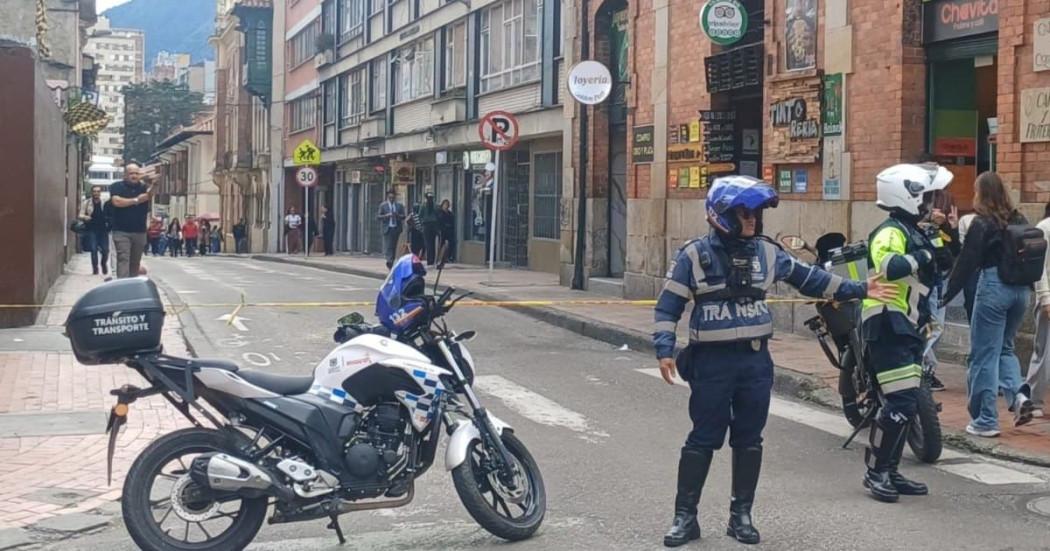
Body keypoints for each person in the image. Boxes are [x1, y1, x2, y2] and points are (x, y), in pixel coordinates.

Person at [654, 176, 889, 547]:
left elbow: (813, 280)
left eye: (756, 213)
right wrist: (664, 348)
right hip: (711, 364)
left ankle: (741, 517)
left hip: (754, 364)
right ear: (721, 214)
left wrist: (860, 288)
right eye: (744, 213)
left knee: (749, 439)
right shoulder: (694, 255)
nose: (752, 219)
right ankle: (685, 517)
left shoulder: (768, 252)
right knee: (703, 439)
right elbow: (668, 305)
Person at [859, 163, 955, 503]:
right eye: (925, 197)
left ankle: (891, 470)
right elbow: (891, 267)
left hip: (909, 325)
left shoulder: (913, 230)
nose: (929, 204)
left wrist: (938, 237)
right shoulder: (890, 232)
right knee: (899, 401)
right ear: (906, 195)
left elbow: (945, 261)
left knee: (908, 400)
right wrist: (925, 252)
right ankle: (876, 472)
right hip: (888, 322)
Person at [943, 172, 1036, 437]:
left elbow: (967, 262)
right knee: (1005, 348)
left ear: (980, 194)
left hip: (994, 288)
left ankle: (985, 420)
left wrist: (947, 295)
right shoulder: (1019, 219)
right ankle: (1019, 395)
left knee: (984, 355)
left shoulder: (982, 223)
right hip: (1021, 291)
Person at [922, 190, 961, 391]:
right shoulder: (920, 227)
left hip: (939, 283)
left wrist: (953, 228)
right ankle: (921, 369)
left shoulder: (941, 230)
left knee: (935, 327)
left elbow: (952, 255)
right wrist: (932, 226)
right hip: (925, 284)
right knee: (932, 328)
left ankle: (926, 370)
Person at [1026, 202, 1050, 418]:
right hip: (1048, 298)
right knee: (1044, 352)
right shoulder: (1044, 227)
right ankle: (1034, 400)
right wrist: (1045, 297)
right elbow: (1039, 267)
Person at [107, 163, 153, 278]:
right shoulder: (116, 186)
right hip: (121, 231)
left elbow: (150, 195)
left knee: (135, 262)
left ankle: (132, 284)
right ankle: (122, 284)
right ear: (125, 175)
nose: (134, 176)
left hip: (139, 231)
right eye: (131, 173)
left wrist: (153, 183)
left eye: (137, 173)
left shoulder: (144, 187)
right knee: (123, 258)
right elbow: (117, 202)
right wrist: (136, 200)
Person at [78, 186, 110, 275]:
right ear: (92, 192)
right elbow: (80, 215)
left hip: (103, 230)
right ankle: (95, 269)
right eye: (94, 191)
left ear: (100, 193)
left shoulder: (104, 202)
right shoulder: (87, 203)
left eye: (98, 191)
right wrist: (85, 217)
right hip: (92, 230)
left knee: (105, 250)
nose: (96, 193)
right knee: (93, 250)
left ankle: (103, 264)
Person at [378, 190, 406, 268]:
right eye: (390, 197)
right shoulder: (383, 205)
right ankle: (389, 260)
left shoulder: (399, 206)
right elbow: (379, 216)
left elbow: (403, 216)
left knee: (394, 245)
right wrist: (386, 215)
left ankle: (392, 260)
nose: (391, 199)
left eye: (393, 197)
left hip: (396, 228)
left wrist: (397, 215)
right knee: (388, 245)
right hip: (387, 228)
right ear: (387, 197)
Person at [419, 192, 440, 265]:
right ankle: (431, 259)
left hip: (430, 225)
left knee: (429, 243)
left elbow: (420, 216)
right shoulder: (434, 206)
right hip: (429, 225)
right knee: (430, 243)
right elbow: (420, 216)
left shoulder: (429, 206)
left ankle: (430, 259)